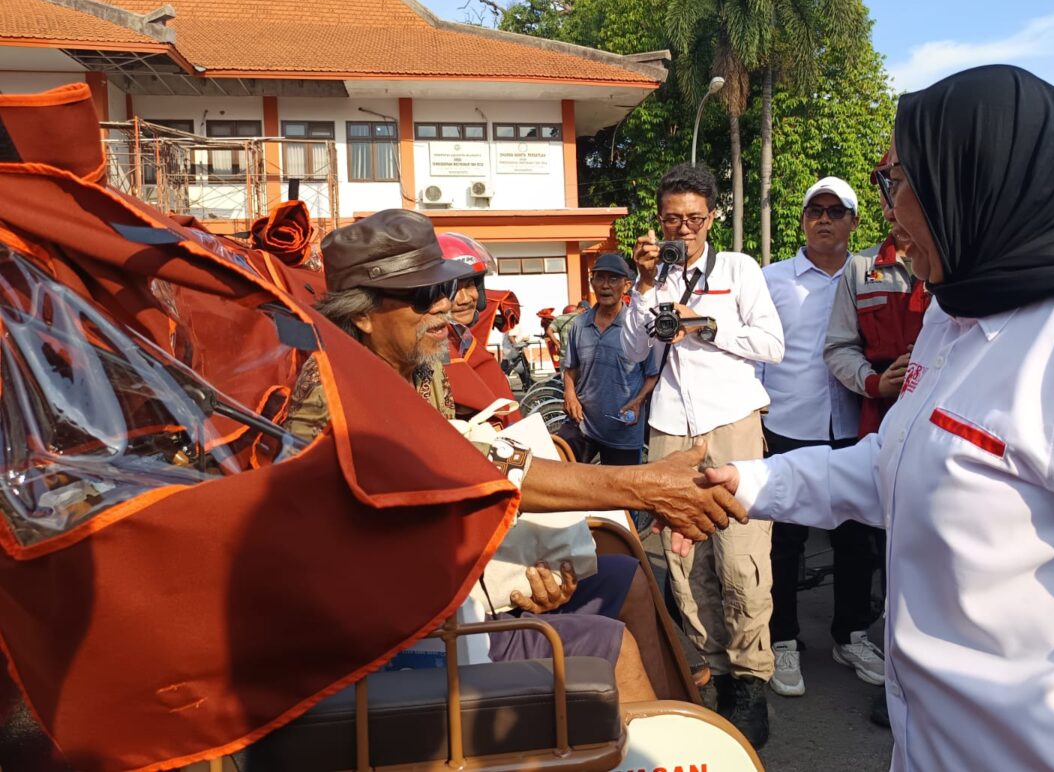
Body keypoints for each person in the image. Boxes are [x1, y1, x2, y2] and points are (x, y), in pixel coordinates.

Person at [699, 65, 1054, 769]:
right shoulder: (953, 315)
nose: (888, 210)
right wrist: (740, 483)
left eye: (900, 180)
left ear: (979, 180)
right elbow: (896, 463)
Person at [285, 210, 748, 701]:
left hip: (452, 577)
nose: (447, 306)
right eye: (425, 296)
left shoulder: (423, 366)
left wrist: (527, 565)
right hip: (398, 631)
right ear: (361, 314)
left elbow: (462, 479)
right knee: (611, 648)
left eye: (450, 287)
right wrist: (645, 485)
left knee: (627, 575)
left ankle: (682, 721)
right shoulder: (338, 389)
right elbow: (471, 471)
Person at [621, 163, 784, 748]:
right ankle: (714, 669)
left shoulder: (739, 269)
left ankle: (750, 679)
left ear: (712, 216)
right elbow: (633, 348)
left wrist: (705, 325)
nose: (682, 229)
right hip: (669, 426)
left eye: (693, 219)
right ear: (659, 220)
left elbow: (773, 344)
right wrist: (643, 288)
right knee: (685, 564)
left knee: (740, 555)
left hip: (732, 420)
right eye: (672, 219)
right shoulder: (653, 278)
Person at [758, 176, 876, 700]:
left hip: (851, 424)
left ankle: (849, 634)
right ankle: (783, 638)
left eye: (836, 211)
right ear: (803, 220)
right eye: (815, 210)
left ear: (853, 221)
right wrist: (758, 423)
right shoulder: (773, 279)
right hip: (789, 425)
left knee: (856, 538)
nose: (824, 219)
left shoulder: (869, 277)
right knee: (785, 542)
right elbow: (759, 355)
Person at [823, 172, 933, 727]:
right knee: (878, 550)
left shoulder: (949, 260)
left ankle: (919, 681)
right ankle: (895, 677)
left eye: (899, 195)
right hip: (880, 424)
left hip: (943, 430)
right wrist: (872, 381)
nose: (894, 211)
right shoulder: (861, 270)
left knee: (924, 555)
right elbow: (838, 346)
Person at [559, 253, 659, 465]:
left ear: (626, 285)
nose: (605, 285)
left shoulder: (637, 328)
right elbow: (570, 368)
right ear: (591, 282)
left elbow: (652, 375)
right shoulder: (579, 325)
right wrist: (569, 393)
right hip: (583, 424)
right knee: (565, 482)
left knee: (620, 496)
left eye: (613, 279)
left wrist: (638, 402)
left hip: (623, 430)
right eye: (600, 278)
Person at [437, 231, 521, 417]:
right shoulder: (435, 347)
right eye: (452, 288)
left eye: (468, 285)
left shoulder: (460, 338)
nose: (465, 299)